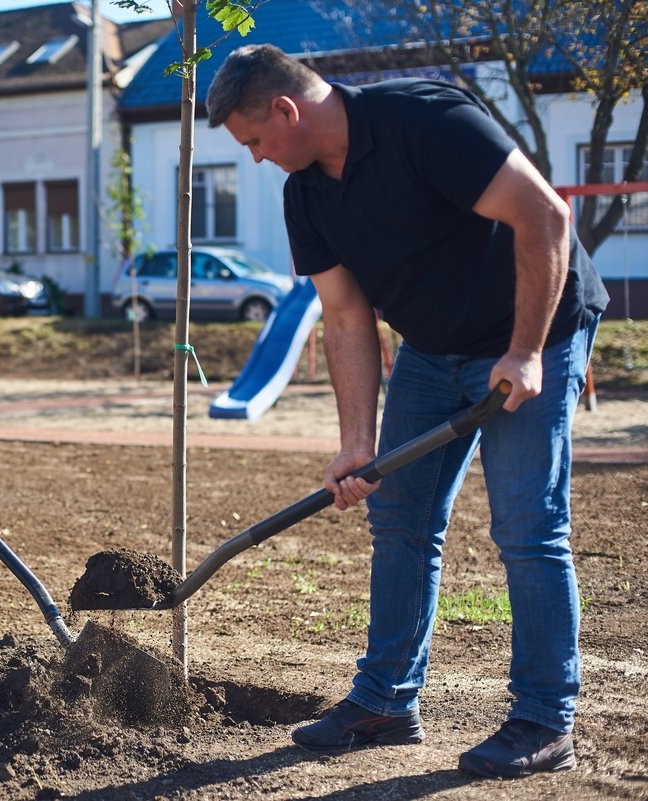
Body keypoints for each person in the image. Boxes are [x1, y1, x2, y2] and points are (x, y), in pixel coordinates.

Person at [205, 45, 608, 779]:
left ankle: (546, 719)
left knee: (526, 525)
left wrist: (525, 352)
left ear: (287, 110)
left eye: (255, 140)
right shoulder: (306, 194)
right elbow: (345, 315)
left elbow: (546, 217)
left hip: (533, 329)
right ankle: (387, 700)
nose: (256, 158)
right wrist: (356, 442)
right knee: (399, 518)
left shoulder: (424, 122)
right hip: (431, 346)